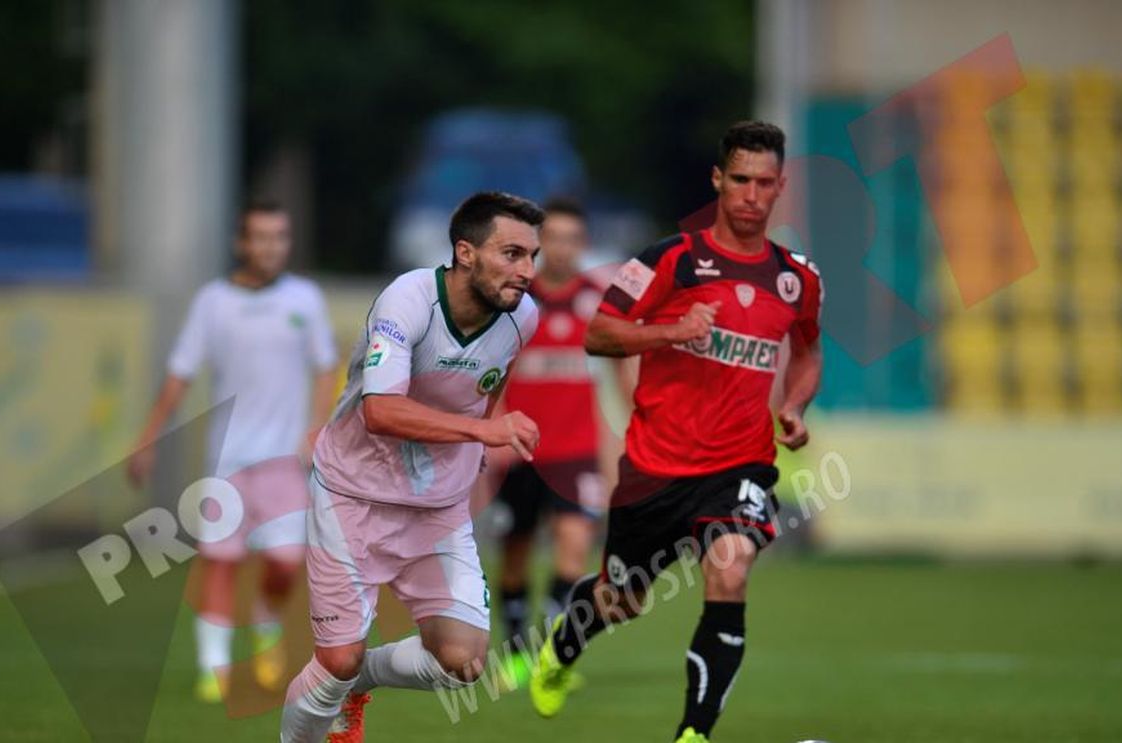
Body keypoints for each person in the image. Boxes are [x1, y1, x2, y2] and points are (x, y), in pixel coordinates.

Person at [528, 121, 824, 743]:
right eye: (739, 179)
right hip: (655, 467)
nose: (750, 194)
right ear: (718, 180)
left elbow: (807, 351)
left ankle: (694, 733)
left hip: (740, 466)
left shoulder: (798, 278)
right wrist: (670, 331)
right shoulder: (668, 259)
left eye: (764, 183)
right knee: (622, 599)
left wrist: (794, 405)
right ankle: (563, 645)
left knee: (731, 566)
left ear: (781, 188)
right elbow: (599, 334)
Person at [279, 192, 544, 743]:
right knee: (336, 660)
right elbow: (380, 410)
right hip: (352, 498)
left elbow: (486, 388)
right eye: (512, 254)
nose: (526, 272)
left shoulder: (522, 318)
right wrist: (482, 433)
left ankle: (362, 681)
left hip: (438, 510)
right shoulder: (409, 299)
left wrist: (479, 448)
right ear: (465, 252)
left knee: (464, 662)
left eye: (531, 257)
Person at [126, 200, 340, 703]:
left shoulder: (305, 298)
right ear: (242, 243)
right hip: (227, 462)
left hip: (286, 462)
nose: (271, 246)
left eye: (280, 236)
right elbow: (180, 373)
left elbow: (326, 366)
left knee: (286, 563)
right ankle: (213, 667)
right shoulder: (213, 302)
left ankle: (265, 627)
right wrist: (146, 439)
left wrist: (316, 426)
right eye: (261, 237)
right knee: (219, 561)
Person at [484, 197, 615, 688]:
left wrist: (621, 438)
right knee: (516, 553)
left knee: (574, 551)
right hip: (521, 451)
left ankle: (547, 655)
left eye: (571, 239)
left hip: (578, 452)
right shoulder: (514, 300)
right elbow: (489, 376)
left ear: (583, 244)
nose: (561, 249)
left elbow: (621, 367)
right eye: (552, 239)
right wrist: (487, 435)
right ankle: (515, 651)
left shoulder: (597, 299)